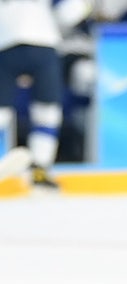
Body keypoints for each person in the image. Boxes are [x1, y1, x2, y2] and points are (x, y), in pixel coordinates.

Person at [0, 0, 91, 189]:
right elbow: (68, 14)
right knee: (47, 112)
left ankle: (40, 169)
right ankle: (40, 171)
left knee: (4, 113)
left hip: (6, 46)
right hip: (41, 46)